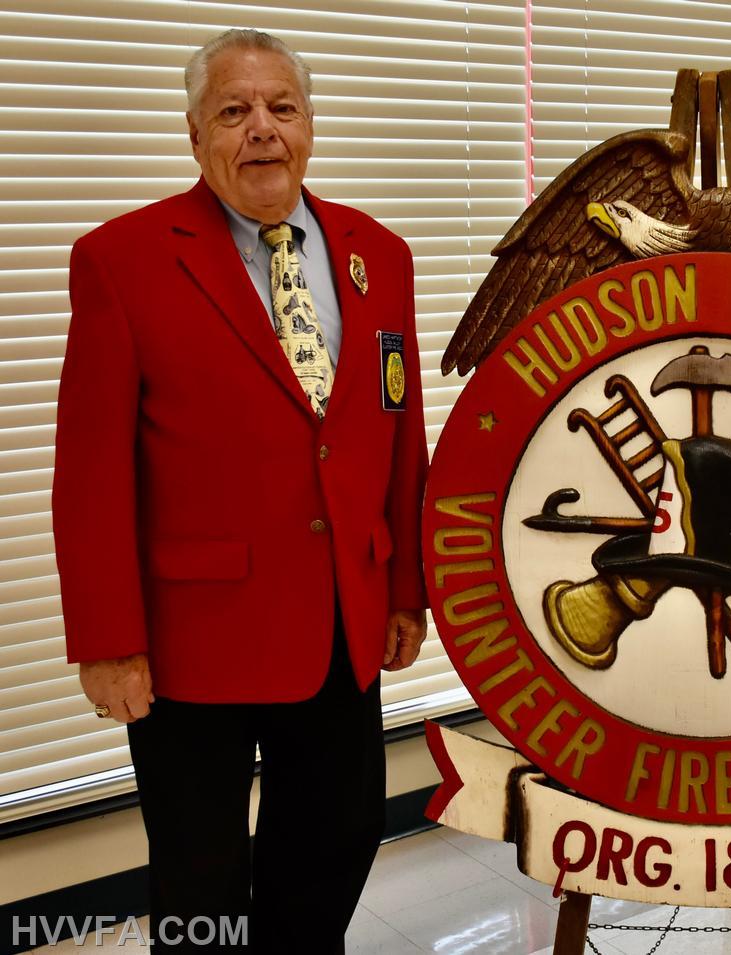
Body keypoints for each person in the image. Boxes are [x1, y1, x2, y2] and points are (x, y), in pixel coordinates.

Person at [51, 28, 428, 954]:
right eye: (234, 110)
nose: (261, 129)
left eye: (281, 108)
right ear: (194, 135)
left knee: (339, 836)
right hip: (193, 640)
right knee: (200, 871)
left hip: (345, 618)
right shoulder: (123, 259)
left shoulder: (380, 252)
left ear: (309, 125)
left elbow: (396, 436)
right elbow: (89, 468)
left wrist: (407, 588)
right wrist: (108, 641)